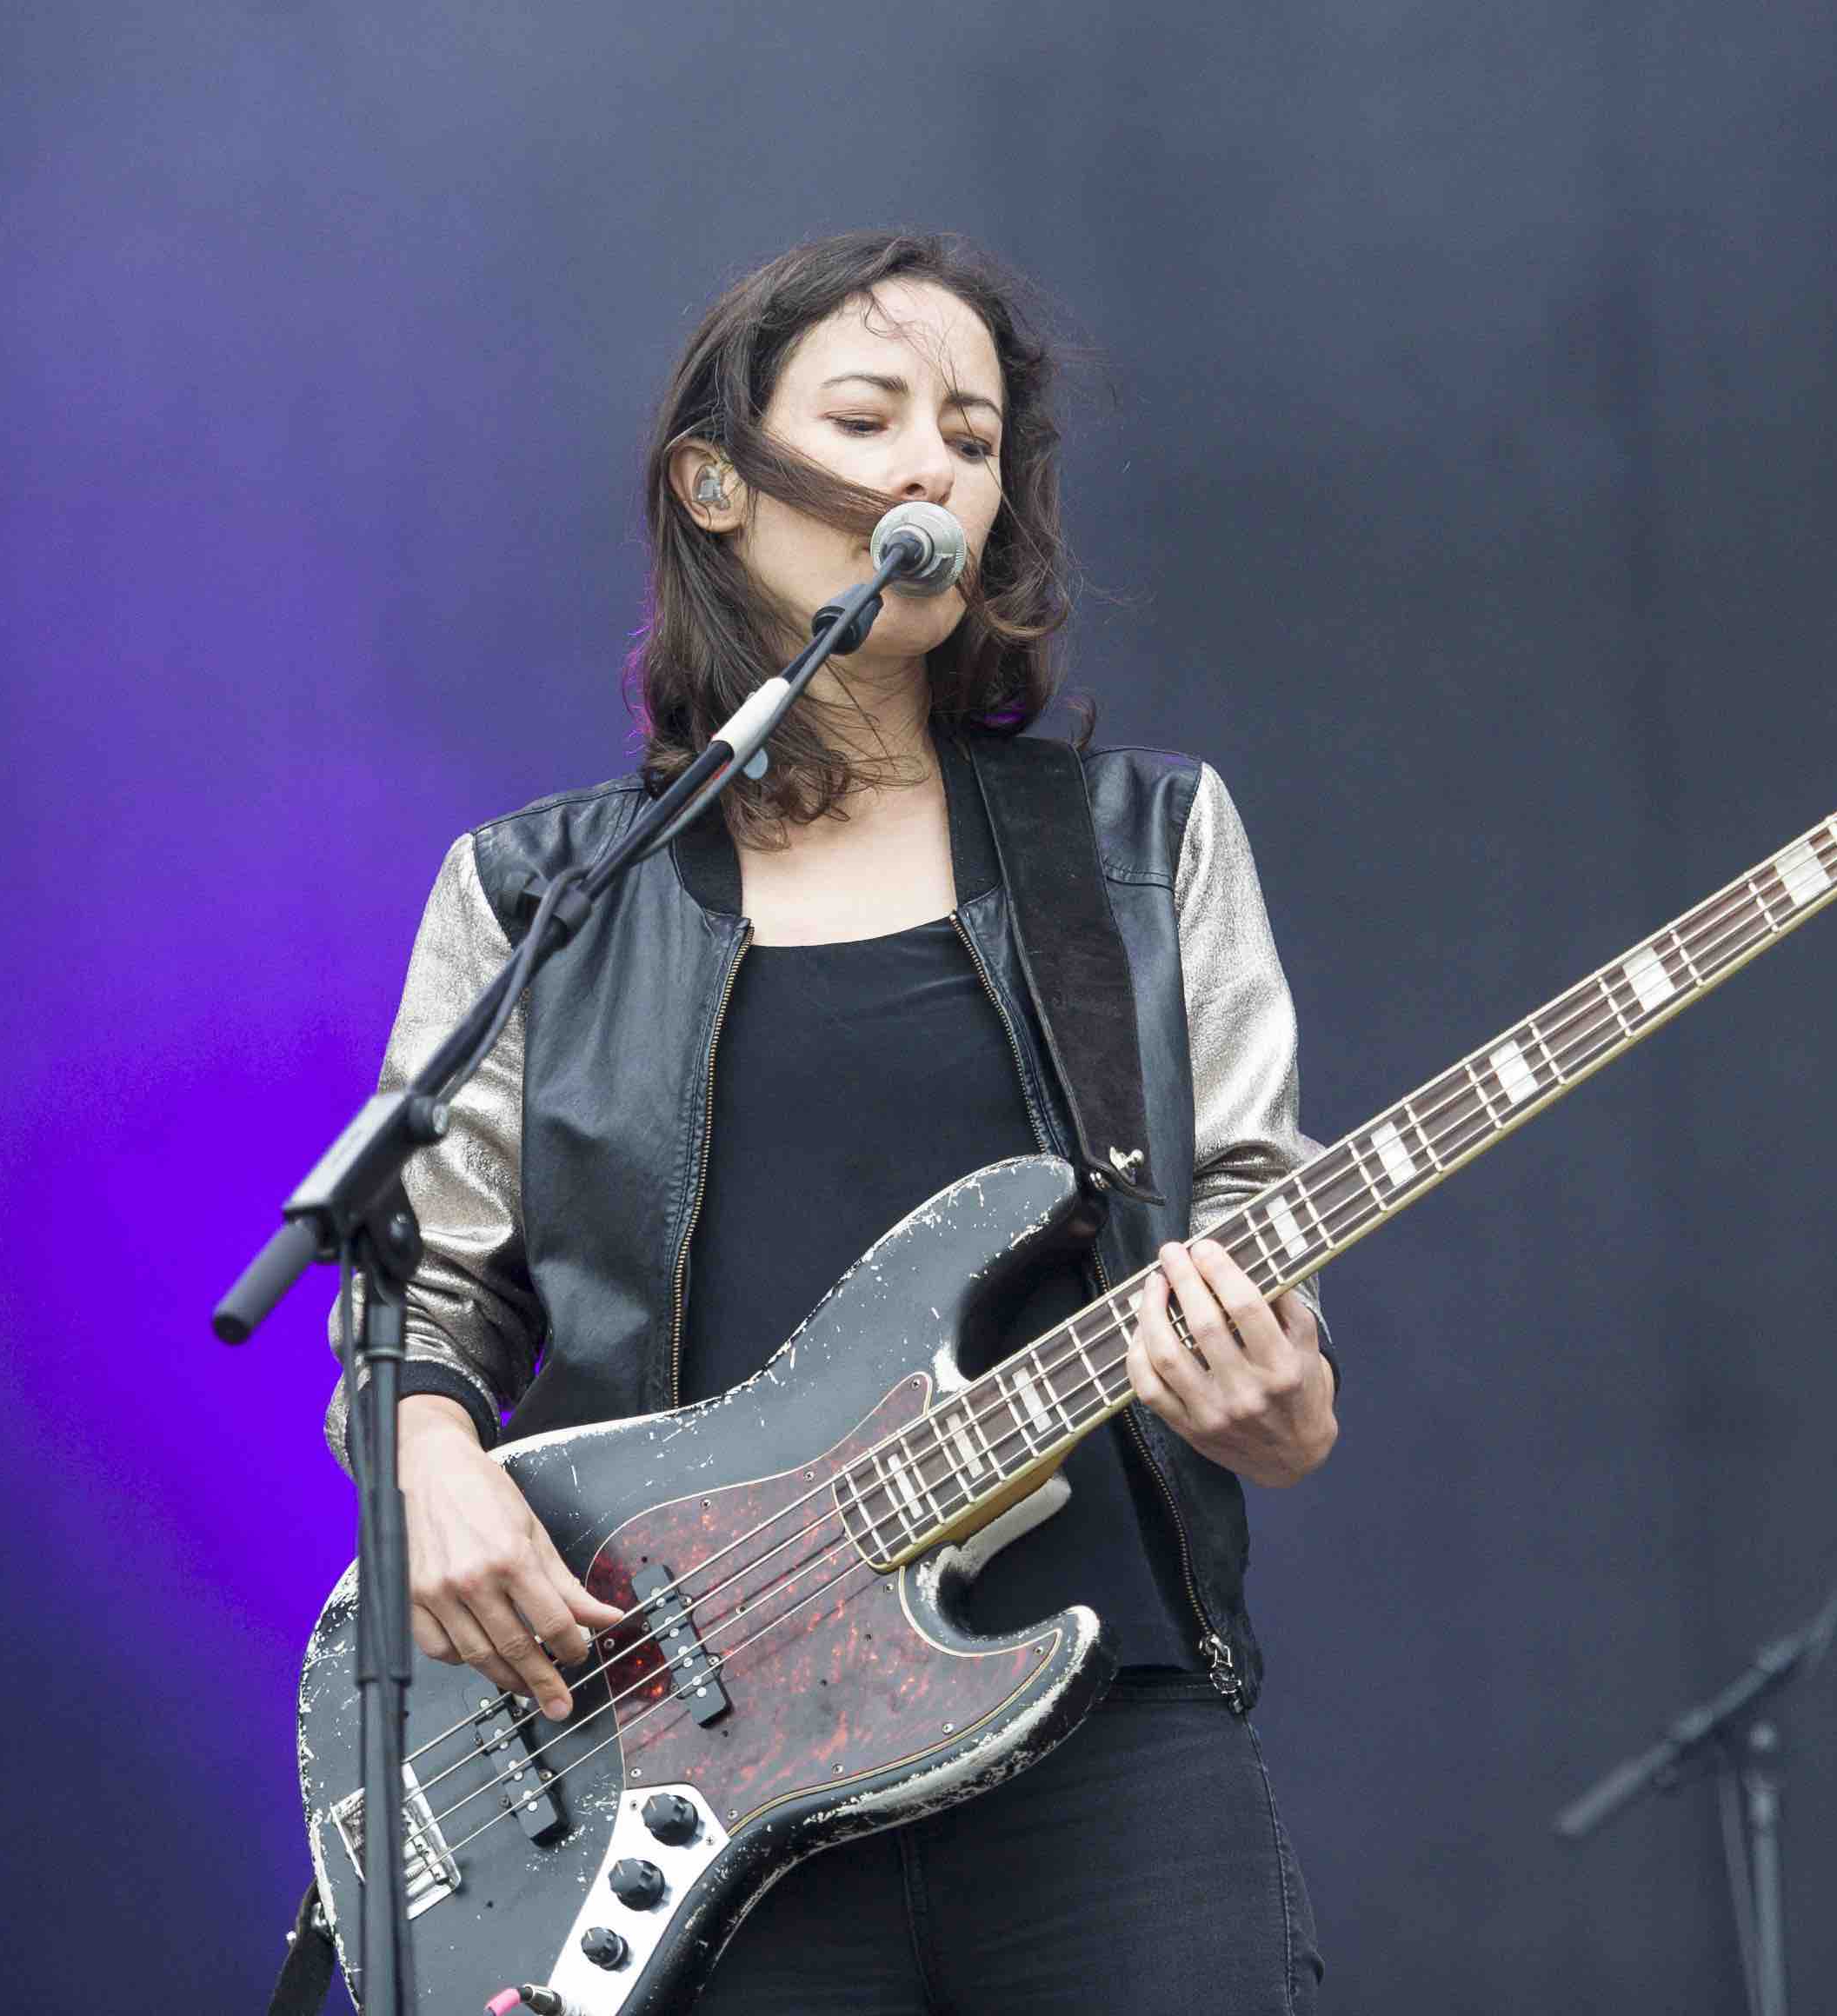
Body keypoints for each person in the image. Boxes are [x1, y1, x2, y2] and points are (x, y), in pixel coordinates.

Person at [323, 230, 1332, 2013]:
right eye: (871, 414)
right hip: (682, 1760)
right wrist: (423, 1467)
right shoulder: (540, 891)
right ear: (715, 483)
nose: (937, 458)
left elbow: (1250, 1212)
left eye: (974, 430)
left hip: (1101, 1735)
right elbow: (424, 1278)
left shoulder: (1139, 844)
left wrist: (1279, 1385)